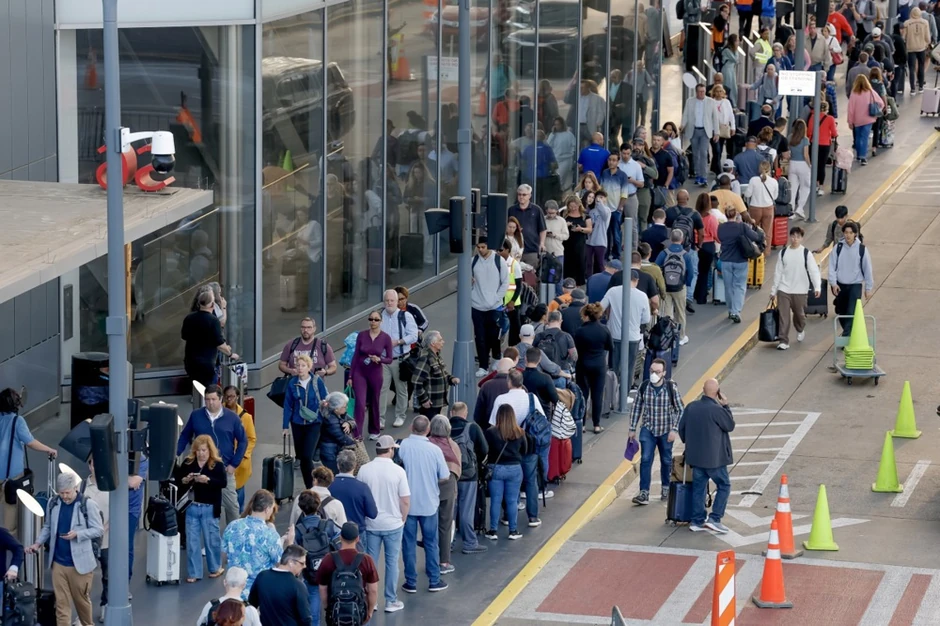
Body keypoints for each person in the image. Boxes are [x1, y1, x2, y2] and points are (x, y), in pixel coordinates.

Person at [29, 472, 104, 626]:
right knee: (62, 605)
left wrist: (78, 534)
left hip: (80, 565)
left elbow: (98, 529)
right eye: (61, 493)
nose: (64, 496)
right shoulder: (53, 503)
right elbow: (48, 527)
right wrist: (38, 543)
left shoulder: (87, 504)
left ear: (75, 488)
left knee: (81, 602)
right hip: (58, 563)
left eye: (67, 493)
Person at [178, 384, 247, 527]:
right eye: (207, 399)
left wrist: (234, 464)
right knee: (197, 504)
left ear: (221, 399)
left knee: (232, 507)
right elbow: (185, 436)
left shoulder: (232, 418)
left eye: (213, 399)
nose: (210, 403)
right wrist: (175, 454)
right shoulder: (196, 415)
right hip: (201, 467)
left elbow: (243, 441)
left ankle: (234, 538)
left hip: (224, 468)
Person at [488, 369, 549, 525]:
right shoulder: (532, 398)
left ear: (509, 382)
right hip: (529, 445)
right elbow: (542, 418)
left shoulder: (501, 399)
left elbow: (493, 424)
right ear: (521, 382)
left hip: (508, 448)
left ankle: (509, 516)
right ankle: (533, 516)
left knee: (511, 483)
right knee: (530, 480)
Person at [356, 435, 409, 613]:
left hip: (371, 524)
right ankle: (390, 600)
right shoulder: (398, 471)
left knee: (370, 563)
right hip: (393, 524)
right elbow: (405, 500)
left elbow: (360, 497)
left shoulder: (364, 470)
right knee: (392, 563)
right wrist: (403, 518)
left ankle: (372, 600)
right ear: (391, 450)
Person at [397, 415, 449, 593]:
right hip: (429, 503)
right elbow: (444, 476)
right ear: (428, 430)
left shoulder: (403, 445)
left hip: (408, 504)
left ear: (412, 427)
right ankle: (434, 580)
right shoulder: (435, 450)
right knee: (431, 542)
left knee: (408, 543)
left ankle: (410, 582)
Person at [679, 379, 735, 534]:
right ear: (717, 392)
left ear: (703, 390)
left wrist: (689, 444)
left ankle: (696, 521)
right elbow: (730, 425)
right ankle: (715, 518)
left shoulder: (691, 407)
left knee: (699, 488)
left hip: (696, 458)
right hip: (714, 459)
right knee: (724, 485)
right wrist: (726, 406)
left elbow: (681, 428)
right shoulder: (717, 410)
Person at [0, 387, 57, 532]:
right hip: (11, 477)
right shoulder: (17, 421)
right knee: (10, 516)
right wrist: (48, 449)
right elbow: (30, 442)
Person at [629, 358, 684, 505]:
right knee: (646, 459)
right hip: (648, 429)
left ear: (664, 373)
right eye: (652, 371)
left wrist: (674, 429)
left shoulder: (671, 388)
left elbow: (680, 409)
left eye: (658, 372)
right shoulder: (644, 386)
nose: (654, 374)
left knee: (666, 460)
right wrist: (632, 428)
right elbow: (636, 408)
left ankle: (666, 488)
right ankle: (644, 493)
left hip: (666, 430)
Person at [175, 434, 227, 582]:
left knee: (212, 540)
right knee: (192, 541)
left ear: (210, 450)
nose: (201, 453)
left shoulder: (217, 465)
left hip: (209, 507)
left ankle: (215, 568)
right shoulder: (188, 463)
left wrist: (208, 480)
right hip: (192, 507)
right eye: (198, 450)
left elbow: (222, 482)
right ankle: (194, 572)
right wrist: (186, 479)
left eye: (204, 450)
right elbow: (180, 481)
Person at [222, 490, 284, 599]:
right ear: (267, 509)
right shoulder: (270, 534)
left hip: (234, 592)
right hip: (259, 593)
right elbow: (280, 564)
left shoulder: (232, 526)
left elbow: (224, 557)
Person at [316, 523, 379, 626]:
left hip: (336, 611)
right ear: (357, 538)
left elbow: (323, 588)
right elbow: (373, 590)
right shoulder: (366, 560)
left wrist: (328, 609)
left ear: (340, 537)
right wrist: (370, 611)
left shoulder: (328, 559)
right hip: (358, 610)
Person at [770, 227, 822, 350]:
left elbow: (813, 271)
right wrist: (774, 290)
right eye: (793, 236)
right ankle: (783, 340)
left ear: (801, 238)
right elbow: (778, 272)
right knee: (784, 316)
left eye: (798, 237)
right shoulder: (783, 253)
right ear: (790, 237)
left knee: (799, 315)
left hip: (800, 290)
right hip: (784, 289)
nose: (795, 239)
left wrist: (817, 287)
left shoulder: (806, 253)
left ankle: (800, 328)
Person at [291, 490, 339, 623]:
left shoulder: (299, 529)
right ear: (318, 506)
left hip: (311, 574)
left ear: (301, 508)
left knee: (313, 608)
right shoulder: (328, 525)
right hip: (330, 572)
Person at [282, 355, 330, 490]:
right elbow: (288, 405)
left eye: (303, 365)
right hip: (297, 423)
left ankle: (312, 486)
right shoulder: (292, 383)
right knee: (302, 458)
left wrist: (325, 406)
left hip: (314, 423)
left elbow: (325, 398)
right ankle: (309, 486)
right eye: (298, 365)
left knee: (307, 456)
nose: (300, 368)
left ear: (309, 367)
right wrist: (285, 426)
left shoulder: (317, 381)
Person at [448, 403, 488, 555]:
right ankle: (470, 543)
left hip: (450, 474)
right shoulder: (472, 428)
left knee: (450, 511)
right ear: (465, 414)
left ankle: (448, 543)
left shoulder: (444, 428)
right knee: (466, 510)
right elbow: (484, 449)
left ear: (452, 413)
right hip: (469, 474)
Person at [484, 405, 528, 541]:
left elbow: (485, 449)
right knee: (512, 501)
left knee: (496, 501)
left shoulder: (491, 432)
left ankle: (493, 530)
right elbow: (524, 450)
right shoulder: (520, 432)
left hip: (496, 468)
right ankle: (513, 531)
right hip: (514, 469)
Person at [717, 207, 766, 323]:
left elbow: (720, 239)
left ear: (726, 215)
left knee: (728, 287)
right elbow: (755, 237)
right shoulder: (741, 227)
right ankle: (736, 311)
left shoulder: (721, 227)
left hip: (726, 261)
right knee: (739, 286)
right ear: (736, 215)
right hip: (740, 261)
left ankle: (730, 310)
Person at [351, 310, 393, 440]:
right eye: (371, 319)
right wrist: (350, 376)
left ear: (381, 321)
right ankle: (357, 434)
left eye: (376, 319)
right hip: (360, 371)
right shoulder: (362, 335)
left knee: (375, 400)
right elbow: (356, 355)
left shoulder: (385, 337)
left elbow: (390, 358)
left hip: (375, 372)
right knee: (360, 402)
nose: (373, 322)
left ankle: (374, 430)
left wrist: (380, 359)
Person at [379, 290, 418, 430]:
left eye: (392, 301)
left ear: (397, 302)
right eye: (387, 300)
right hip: (383, 360)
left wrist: (399, 341)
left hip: (400, 359)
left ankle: (400, 415)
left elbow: (414, 336)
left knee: (401, 389)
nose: (389, 303)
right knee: (382, 389)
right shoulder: (379, 316)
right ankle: (380, 419)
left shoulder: (405, 316)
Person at [182, 289, 238, 387]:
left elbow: (184, 336)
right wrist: (230, 354)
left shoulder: (189, 318)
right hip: (207, 363)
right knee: (210, 390)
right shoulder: (213, 321)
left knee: (197, 388)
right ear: (212, 305)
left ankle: (197, 399)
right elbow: (220, 344)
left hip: (190, 361)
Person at [248, 545, 314, 626]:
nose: (305, 566)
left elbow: (252, 603)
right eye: (302, 563)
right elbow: (306, 619)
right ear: (291, 562)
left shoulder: (262, 576)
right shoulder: (298, 585)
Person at [428, 415, 461, 574]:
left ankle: (431, 559)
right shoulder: (453, 445)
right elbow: (458, 467)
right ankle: (444, 562)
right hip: (448, 486)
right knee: (445, 525)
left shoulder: (427, 444)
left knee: (429, 524)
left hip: (429, 487)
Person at [828, 221, 873, 336]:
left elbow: (867, 269)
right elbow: (832, 267)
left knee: (851, 311)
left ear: (855, 234)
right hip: (840, 285)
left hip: (855, 285)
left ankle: (846, 337)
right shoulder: (838, 248)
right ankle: (847, 332)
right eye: (846, 232)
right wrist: (833, 283)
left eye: (850, 233)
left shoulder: (861, 249)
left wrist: (868, 288)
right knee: (841, 311)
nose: (848, 235)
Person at [574, 303, 613, 433]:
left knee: (583, 394)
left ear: (586, 316)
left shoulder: (580, 331)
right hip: (599, 365)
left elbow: (576, 348)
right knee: (597, 395)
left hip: (583, 365)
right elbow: (610, 347)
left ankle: (583, 424)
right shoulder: (604, 330)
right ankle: (596, 424)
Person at [471, 240, 508, 377]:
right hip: (477, 305)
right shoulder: (473, 261)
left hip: (494, 305)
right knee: (480, 337)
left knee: (494, 335)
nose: (480, 250)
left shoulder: (499, 261)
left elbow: (505, 282)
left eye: (483, 247)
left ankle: (497, 357)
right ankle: (483, 365)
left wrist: (497, 298)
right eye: (478, 247)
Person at [221, 385, 257, 513]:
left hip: (240, 464)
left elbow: (251, 438)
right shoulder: (219, 414)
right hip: (223, 458)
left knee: (238, 497)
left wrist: (244, 455)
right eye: (226, 396)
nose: (229, 399)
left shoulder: (246, 417)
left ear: (237, 397)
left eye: (232, 396)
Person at [655, 231, 694, 345]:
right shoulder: (686, 255)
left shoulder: (664, 253)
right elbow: (690, 273)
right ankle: (681, 337)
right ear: (682, 240)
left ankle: (667, 337)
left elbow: (657, 267)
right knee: (680, 313)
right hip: (680, 288)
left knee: (667, 313)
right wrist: (686, 283)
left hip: (666, 288)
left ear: (670, 239)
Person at [411, 331, 458, 419]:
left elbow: (441, 373)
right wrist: (424, 399)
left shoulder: (436, 355)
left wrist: (451, 378)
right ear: (433, 343)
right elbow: (416, 380)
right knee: (429, 428)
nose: (443, 342)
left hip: (437, 402)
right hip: (430, 404)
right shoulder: (426, 358)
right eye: (440, 340)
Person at [681, 83, 720, 188]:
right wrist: (682, 125)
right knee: (695, 154)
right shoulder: (690, 101)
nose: (702, 93)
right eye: (700, 91)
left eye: (703, 91)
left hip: (705, 131)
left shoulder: (710, 102)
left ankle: (704, 176)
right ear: (696, 91)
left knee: (703, 153)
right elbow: (685, 114)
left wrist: (717, 132)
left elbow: (715, 118)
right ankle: (698, 175)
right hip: (693, 130)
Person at [329, 450, 377, 536]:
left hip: (334, 532)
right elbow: (373, 513)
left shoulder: (329, 486)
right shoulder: (362, 487)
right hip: (357, 532)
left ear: (338, 465)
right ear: (355, 465)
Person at [196, 567, 262, 626]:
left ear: (224, 582)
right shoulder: (250, 609)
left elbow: (199, 623)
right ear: (244, 585)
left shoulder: (211, 605)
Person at [318, 392, 359, 475]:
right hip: (329, 453)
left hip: (334, 449)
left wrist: (349, 424)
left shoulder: (340, 414)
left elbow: (353, 421)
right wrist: (355, 443)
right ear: (336, 408)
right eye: (344, 406)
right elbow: (341, 437)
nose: (346, 408)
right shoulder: (330, 420)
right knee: (334, 474)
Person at [847, 74, 884, 166]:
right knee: (865, 137)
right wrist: (876, 111)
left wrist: (850, 121)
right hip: (868, 119)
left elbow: (850, 109)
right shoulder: (870, 91)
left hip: (857, 119)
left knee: (858, 137)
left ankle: (859, 155)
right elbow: (881, 103)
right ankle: (863, 157)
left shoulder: (854, 93)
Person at [508, 184, 547, 269]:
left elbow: (543, 229)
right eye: (519, 194)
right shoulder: (511, 210)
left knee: (531, 277)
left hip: (531, 250)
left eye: (524, 195)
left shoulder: (537, 210)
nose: (521, 197)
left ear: (530, 195)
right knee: (514, 276)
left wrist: (542, 243)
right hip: (514, 250)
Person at [743, 160, 777, 251]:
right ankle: (765, 253)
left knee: (753, 230)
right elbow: (775, 196)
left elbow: (747, 195)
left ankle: (754, 250)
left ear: (759, 169)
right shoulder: (774, 181)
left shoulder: (753, 180)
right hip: (768, 208)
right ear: (769, 169)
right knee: (767, 232)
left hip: (755, 208)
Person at [474, 357, 514, 429]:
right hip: (512, 431)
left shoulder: (486, 386)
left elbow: (478, 415)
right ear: (511, 370)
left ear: (497, 370)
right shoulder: (518, 387)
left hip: (489, 431)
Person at [807, 101, 838, 192]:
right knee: (822, 165)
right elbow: (834, 133)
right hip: (825, 144)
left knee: (815, 164)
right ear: (827, 109)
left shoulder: (813, 117)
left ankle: (815, 183)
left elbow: (809, 132)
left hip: (814, 143)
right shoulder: (830, 119)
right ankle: (821, 186)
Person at [562, 195, 591, 286]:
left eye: (575, 206)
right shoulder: (564, 214)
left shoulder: (585, 215)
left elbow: (589, 229)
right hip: (567, 243)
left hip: (579, 243)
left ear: (579, 205)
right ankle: (567, 284)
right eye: (571, 207)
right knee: (568, 264)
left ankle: (578, 284)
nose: (573, 208)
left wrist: (581, 229)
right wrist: (565, 225)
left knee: (580, 263)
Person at [543, 201, 570, 296]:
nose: (551, 215)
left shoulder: (561, 221)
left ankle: (559, 298)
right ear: (546, 210)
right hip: (545, 253)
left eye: (553, 213)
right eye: (549, 213)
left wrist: (555, 235)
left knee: (558, 277)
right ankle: (546, 296)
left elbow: (566, 236)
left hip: (558, 252)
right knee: (545, 276)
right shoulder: (542, 219)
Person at [585, 189, 613, 276]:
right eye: (598, 197)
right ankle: (589, 278)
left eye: (603, 197)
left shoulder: (607, 210)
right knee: (588, 262)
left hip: (601, 240)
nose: (600, 199)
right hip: (590, 240)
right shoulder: (592, 211)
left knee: (600, 262)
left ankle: (602, 277)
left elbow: (604, 215)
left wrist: (600, 203)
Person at [905, 7, 931, 93]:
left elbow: (904, 37)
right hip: (921, 47)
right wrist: (927, 43)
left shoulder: (907, 23)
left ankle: (912, 89)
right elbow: (927, 37)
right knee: (921, 66)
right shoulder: (925, 22)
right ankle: (921, 86)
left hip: (911, 48)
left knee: (911, 68)